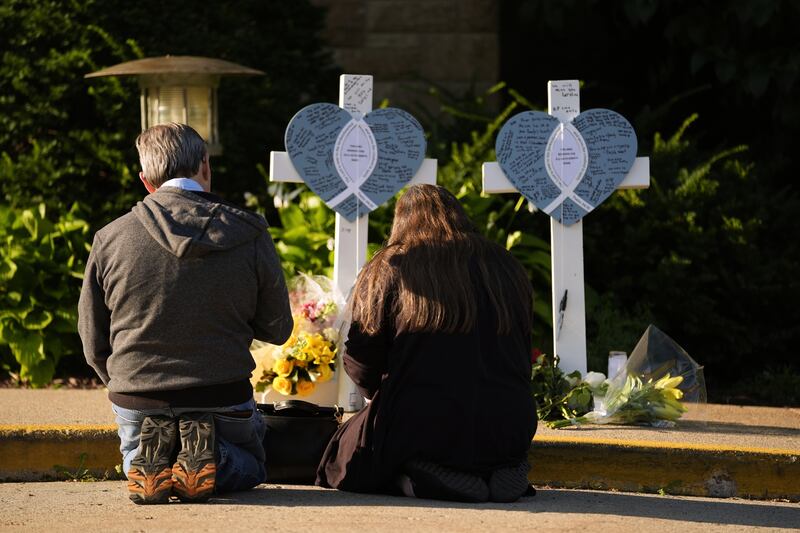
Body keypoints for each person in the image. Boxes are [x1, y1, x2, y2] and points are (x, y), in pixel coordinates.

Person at [78, 123, 293, 504]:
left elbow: (93, 339)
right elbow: (277, 329)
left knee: (137, 460)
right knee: (254, 466)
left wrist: (127, 379)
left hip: (137, 398)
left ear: (146, 181)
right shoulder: (250, 232)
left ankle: (151, 459)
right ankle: (212, 456)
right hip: (222, 394)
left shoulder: (109, 238)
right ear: (205, 166)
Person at [316, 184, 537, 503]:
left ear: (400, 223)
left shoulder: (393, 263)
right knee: (479, 431)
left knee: (342, 453)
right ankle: (502, 469)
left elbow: (361, 358)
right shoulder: (504, 263)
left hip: (424, 423)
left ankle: (417, 477)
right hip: (510, 422)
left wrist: (378, 398)